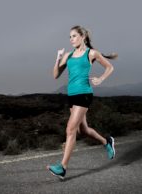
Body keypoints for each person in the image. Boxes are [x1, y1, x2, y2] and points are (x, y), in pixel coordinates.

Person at [47, 25, 118, 180]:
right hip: (71, 96)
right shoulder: (68, 55)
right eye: (70, 37)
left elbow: (109, 67)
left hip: (84, 94)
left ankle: (62, 168)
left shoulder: (91, 53)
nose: (71, 39)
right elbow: (55, 75)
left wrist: (101, 78)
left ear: (83, 37)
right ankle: (107, 142)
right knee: (83, 130)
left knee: (70, 130)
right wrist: (58, 58)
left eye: (74, 36)